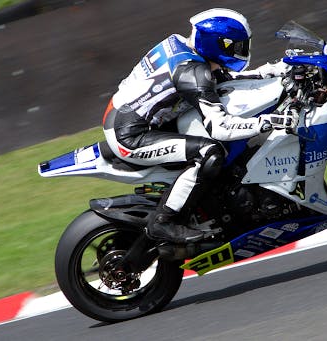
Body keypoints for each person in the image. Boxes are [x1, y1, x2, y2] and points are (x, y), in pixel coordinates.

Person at [102, 8, 292, 243]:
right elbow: (221, 127)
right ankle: (164, 222)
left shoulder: (181, 46)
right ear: (216, 44)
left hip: (132, 117)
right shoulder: (192, 72)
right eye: (235, 46)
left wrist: (273, 71)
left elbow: (218, 79)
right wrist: (269, 121)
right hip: (131, 135)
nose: (241, 51)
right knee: (210, 153)